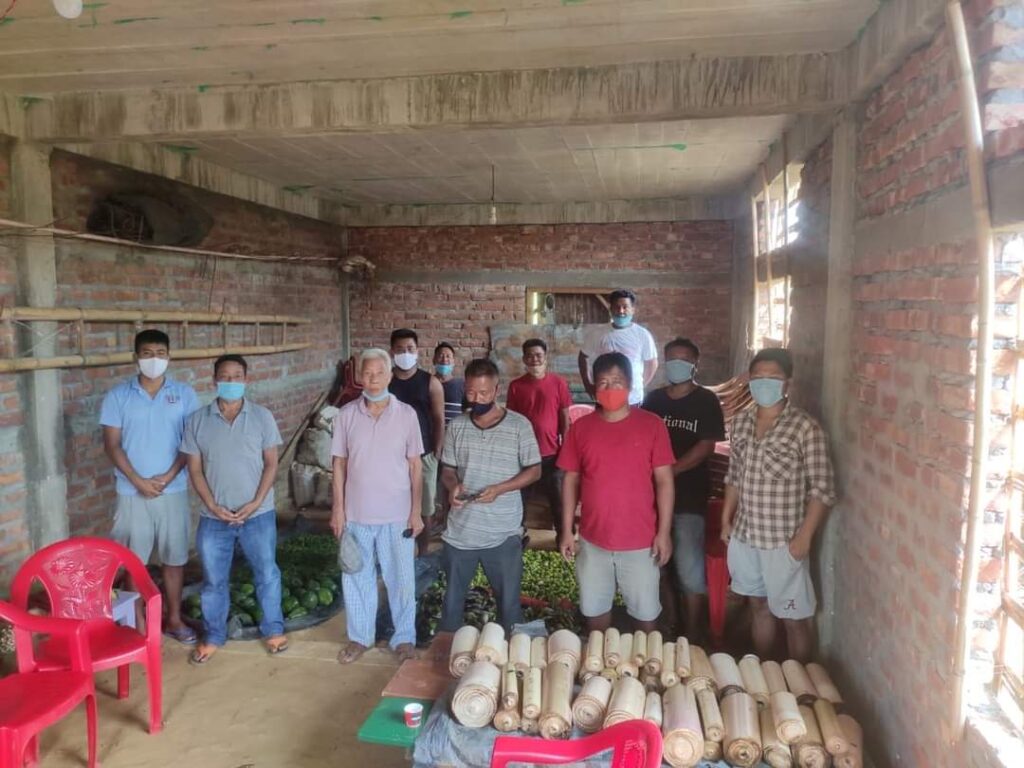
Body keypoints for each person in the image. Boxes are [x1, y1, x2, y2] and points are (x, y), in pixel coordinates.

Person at [720, 348, 835, 662]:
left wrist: (804, 538)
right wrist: (726, 520)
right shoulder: (741, 422)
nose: (764, 383)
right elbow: (734, 475)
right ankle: (766, 668)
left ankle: (800, 679)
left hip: (783, 541)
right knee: (758, 605)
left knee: (794, 618)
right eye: (758, 377)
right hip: (745, 535)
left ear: (788, 383)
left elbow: (823, 490)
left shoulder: (805, 428)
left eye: (773, 377)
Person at [558, 352, 675, 633]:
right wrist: (566, 530)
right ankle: (600, 659)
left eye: (617, 381)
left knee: (645, 616)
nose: (610, 388)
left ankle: (645, 660)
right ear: (593, 387)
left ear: (631, 384)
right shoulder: (581, 428)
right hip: (593, 540)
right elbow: (571, 480)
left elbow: (665, 482)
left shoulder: (652, 425)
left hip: (641, 541)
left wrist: (663, 533)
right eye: (603, 382)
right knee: (595, 614)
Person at [182, 355, 287, 663]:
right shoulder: (197, 420)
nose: (231, 382)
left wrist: (255, 502)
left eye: (237, 376)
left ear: (246, 380)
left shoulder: (262, 417)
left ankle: (274, 629)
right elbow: (194, 469)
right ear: (214, 380)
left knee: (267, 573)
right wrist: (212, 505)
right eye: (225, 376)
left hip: (258, 514)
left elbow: (271, 464)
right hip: (214, 518)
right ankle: (214, 635)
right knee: (214, 580)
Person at [100, 329, 199, 643]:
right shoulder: (118, 396)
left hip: (173, 489)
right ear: (135, 357)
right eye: (146, 353)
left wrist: (168, 476)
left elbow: (190, 442)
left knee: (174, 559)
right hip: (132, 492)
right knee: (134, 562)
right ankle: (137, 623)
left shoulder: (184, 395)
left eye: (160, 353)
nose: (153, 359)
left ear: (169, 357)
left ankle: (173, 618)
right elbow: (112, 445)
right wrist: (137, 480)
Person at [331, 349, 424, 664]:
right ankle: (360, 638)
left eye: (378, 373)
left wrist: (416, 511)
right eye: (367, 373)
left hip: (397, 515)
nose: (372, 379)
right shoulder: (346, 415)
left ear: (389, 376)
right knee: (357, 578)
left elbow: (415, 467)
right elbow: (339, 465)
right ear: (359, 377)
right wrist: (338, 509)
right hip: (356, 515)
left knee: (401, 580)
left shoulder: (406, 415)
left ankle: (404, 638)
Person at [439, 359, 541, 633]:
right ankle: (449, 649)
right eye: (471, 392)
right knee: (451, 606)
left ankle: (508, 653)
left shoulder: (519, 426)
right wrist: (453, 486)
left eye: (484, 393)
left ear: (497, 390)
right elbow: (447, 469)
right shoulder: (457, 426)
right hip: (461, 533)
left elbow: (535, 471)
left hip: (503, 532)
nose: (477, 399)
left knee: (509, 609)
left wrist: (500, 489)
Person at [642, 338, 726, 641]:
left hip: (689, 496)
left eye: (684, 359)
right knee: (659, 565)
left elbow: (707, 445)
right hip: (651, 498)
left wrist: (671, 471)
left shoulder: (705, 401)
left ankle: (694, 631)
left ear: (695, 364)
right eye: (672, 358)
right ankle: (671, 624)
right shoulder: (654, 400)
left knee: (689, 568)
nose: (677, 364)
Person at [506, 338, 572, 535]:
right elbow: (512, 421)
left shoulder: (559, 383)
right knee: (520, 500)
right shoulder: (516, 386)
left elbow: (565, 420)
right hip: (524, 456)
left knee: (559, 500)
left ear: (545, 357)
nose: (534, 359)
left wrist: (566, 451)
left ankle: (564, 539)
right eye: (530, 356)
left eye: (538, 355)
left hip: (552, 455)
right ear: (524, 359)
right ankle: (518, 538)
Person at [389, 329, 445, 538]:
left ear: (417, 351)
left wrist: (436, 452)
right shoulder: (385, 381)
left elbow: (439, 419)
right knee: (394, 505)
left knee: (425, 508)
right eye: (400, 349)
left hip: (424, 454)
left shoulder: (431, 382)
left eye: (410, 349)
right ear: (392, 352)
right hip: (392, 456)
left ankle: (423, 550)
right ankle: (397, 546)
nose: (405, 353)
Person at [578, 288, 658, 405]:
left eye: (625, 307)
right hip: (605, 397)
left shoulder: (642, 335)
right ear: (611, 309)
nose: (621, 311)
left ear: (633, 310)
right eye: (617, 307)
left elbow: (652, 363)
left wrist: (639, 384)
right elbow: (582, 357)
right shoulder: (597, 333)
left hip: (632, 400)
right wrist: (587, 384)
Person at [433, 342, 465, 425]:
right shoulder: (426, 384)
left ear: (453, 362)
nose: (444, 360)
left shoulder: (462, 385)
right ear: (434, 360)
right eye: (441, 356)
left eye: (448, 356)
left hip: (455, 432)